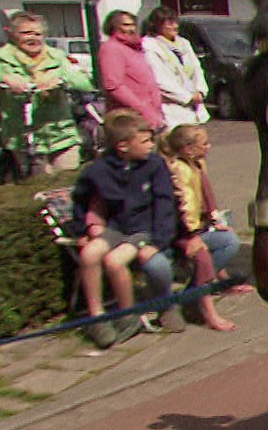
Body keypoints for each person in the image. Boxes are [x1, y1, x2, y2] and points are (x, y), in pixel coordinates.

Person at [73, 108, 185, 348]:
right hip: (115, 229)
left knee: (114, 261)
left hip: (142, 232)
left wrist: (158, 242)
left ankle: (128, 315)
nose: (151, 145)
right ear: (123, 146)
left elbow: (166, 205)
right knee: (89, 254)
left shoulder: (155, 166)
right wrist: (83, 230)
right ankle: (97, 317)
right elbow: (81, 198)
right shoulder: (99, 170)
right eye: (144, 141)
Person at [0, 11, 94, 173]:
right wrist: (5, 77)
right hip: (24, 140)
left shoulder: (57, 57)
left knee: (67, 185)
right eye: (26, 33)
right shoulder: (1, 58)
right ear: (13, 35)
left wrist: (61, 80)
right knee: (37, 190)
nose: (33, 38)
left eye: (38, 33)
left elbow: (87, 84)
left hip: (62, 136)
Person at [162, 123, 245, 331]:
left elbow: (208, 199)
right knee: (203, 257)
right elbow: (185, 207)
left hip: (197, 228)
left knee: (230, 241)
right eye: (204, 143)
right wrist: (192, 236)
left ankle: (197, 291)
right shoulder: (180, 170)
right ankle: (207, 312)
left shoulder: (195, 165)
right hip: (180, 234)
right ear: (188, 149)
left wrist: (216, 222)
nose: (208, 147)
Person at [96, 10, 164, 132]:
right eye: (125, 25)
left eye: (133, 24)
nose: (132, 29)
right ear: (113, 27)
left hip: (150, 117)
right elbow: (114, 86)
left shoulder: (133, 49)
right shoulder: (112, 48)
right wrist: (142, 109)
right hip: (131, 120)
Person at [141, 7, 209, 127]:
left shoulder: (184, 43)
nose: (174, 26)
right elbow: (159, 80)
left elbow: (197, 70)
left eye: (175, 22)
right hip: (170, 109)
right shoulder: (149, 46)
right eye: (168, 23)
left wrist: (200, 91)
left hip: (194, 108)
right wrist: (188, 97)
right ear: (157, 25)